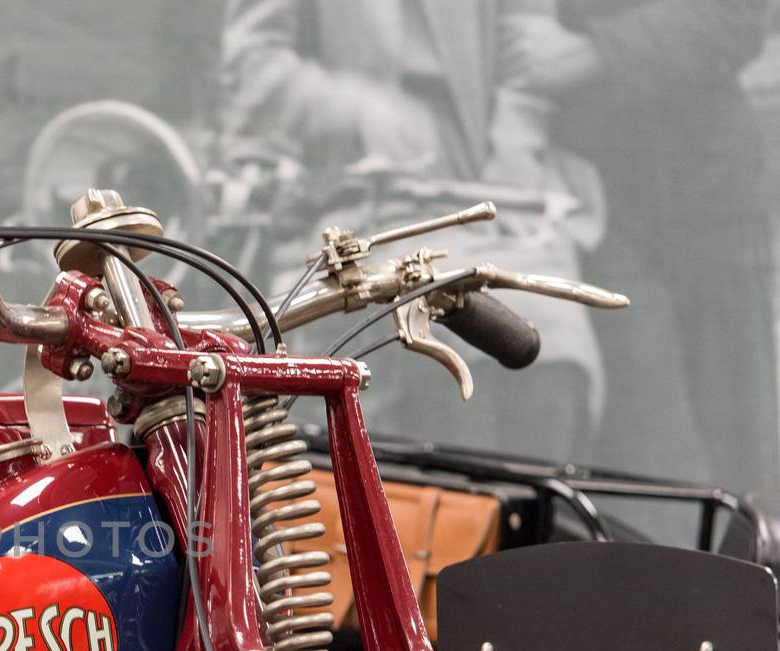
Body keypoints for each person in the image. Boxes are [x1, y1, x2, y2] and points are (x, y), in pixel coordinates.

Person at [216, 0, 608, 462]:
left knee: (549, 347)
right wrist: (360, 110)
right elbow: (253, 67)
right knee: (415, 353)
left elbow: (529, 57)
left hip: (485, 187)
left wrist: (508, 154)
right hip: (343, 190)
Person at [503, 1, 780, 492]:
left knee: (739, 449)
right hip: (580, 197)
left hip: (708, 188)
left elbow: (737, 15)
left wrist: (598, 52)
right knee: (634, 445)